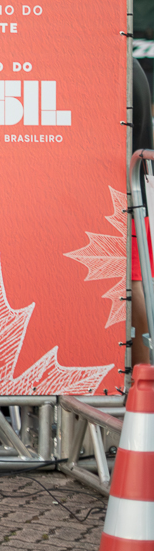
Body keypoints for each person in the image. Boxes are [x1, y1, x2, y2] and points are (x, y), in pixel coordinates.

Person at [131, 57, 153, 367]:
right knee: (138, 280)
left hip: (127, 198)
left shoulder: (121, 68)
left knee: (137, 281)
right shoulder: (130, 66)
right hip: (135, 194)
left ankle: (142, 375)